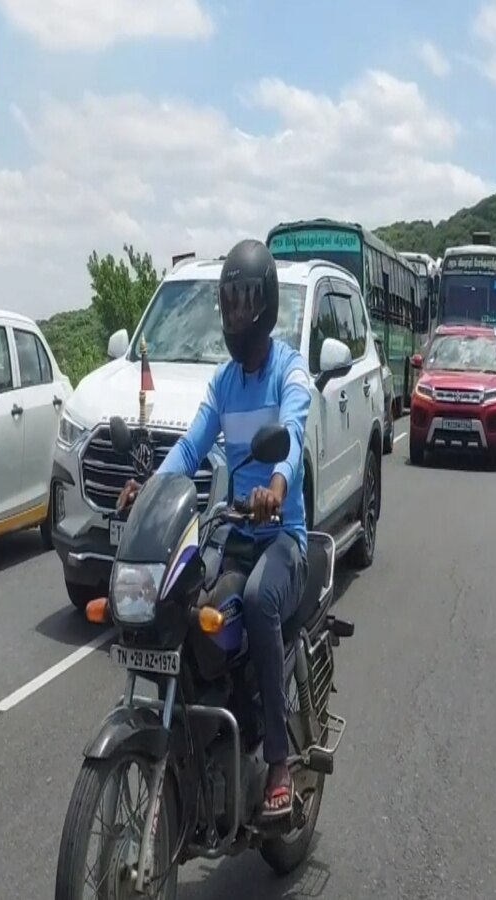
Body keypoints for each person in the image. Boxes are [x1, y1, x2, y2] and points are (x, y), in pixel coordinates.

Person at [117, 238, 311, 820]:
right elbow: (191, 445)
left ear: (266, 305)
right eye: (226, 303)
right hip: (235, 535)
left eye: (243, 302)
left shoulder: (288, 372)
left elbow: (294, 435)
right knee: (189, 609)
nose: (234, 315)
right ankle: (202, 744)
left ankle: (277, 763)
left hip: (282, 540)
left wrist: (275, 488)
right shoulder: (224, 384)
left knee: (255, 601)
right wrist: (150, 487)